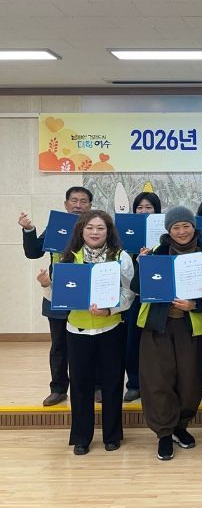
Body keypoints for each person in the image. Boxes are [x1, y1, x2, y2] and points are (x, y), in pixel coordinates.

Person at [36, 210, 134, 455]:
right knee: (80, 385)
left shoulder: (120, 257)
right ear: (81, 230)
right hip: (77, 330)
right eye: (90, 227)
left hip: (111, 328)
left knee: (112, 383)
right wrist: (46, 285)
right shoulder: (68, 257)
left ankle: (112, 435)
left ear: (108, 231)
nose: (95, 232)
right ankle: (81, 437)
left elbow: (129, 294)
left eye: (100, 228)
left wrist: (110, 310)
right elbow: (58, 297)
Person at [130, 206, 202, 461]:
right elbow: (137, 289)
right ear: (168, 230)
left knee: (191, 380)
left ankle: (180, 426)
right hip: (158, 325)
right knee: (157, 380)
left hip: (191, 328)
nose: (181, 231)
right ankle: (164, 433)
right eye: (176, 227)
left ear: (194, 228)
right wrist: (141, 265)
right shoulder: (156, 253)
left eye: (186, 226)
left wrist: (194, 305)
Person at [18, 186, 93, 407]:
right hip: (58, 293)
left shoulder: (97, 227)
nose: (78, 205)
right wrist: (29, 229)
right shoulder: (57, 225)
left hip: (88, 294)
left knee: (92, 343)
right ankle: (58, 389)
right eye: (74, 201)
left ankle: (96, 386)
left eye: (83, 201)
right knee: (59, 346)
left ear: (90, 205)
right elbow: (34, 252)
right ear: (66, 204)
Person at [123, 191, 162, 403]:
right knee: (132, 342)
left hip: (157, 297)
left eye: (149, 207)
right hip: (132, 298)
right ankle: (134, 384)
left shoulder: (165, 238)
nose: (144, 211)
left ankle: (156, 384)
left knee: (157, 344)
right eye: (139, 207)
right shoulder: (125, 236)